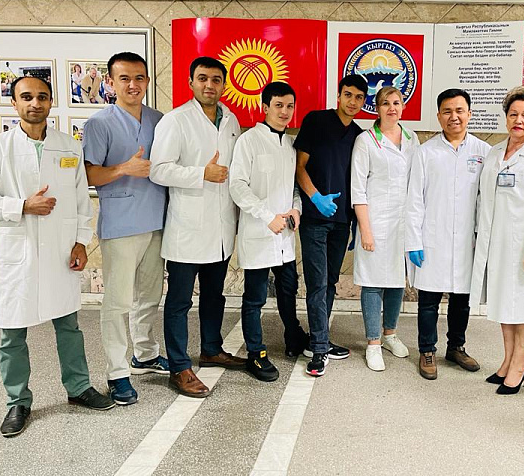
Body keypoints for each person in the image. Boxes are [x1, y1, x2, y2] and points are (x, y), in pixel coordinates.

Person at [0, 76, 114, 438]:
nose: (35, 103)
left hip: (60, 249)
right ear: (14, 103)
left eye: (41, 97)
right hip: (18, 251)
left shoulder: (68, 146)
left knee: (69, 325)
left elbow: (82, 201)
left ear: (51, 101)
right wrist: (22, 206)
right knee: (12, 332)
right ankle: (17, 401)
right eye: (27, 97)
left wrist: (81, 242)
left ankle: (79, 387)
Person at [149, 56, 244, 398]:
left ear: (224, 85)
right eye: (202, 78)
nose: (209, 85)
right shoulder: (176, 120)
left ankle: (211, 349)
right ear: (191, 82)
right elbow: (158, 170)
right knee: (179, 302)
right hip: (187, 229)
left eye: (216, 79)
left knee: (215, 296)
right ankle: (179, 366)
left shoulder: (230, 120)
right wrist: (201, 173)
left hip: (221, 228)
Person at [83, 52, 169, 406]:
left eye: (139, 78)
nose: (133, 85)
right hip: (120, 225)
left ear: (147, 81)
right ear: (110, 82)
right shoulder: (99, 124)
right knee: (118, 302)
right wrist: (123, 169)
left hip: (156, 220)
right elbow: (89, 174)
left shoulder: (159, 120)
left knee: (149, 295)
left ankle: (145, 354)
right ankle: (117, 373)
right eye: (124, 78)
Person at [470, 87, 524, 394]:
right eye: (513, 114)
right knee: (504, 304)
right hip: (498, 244)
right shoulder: (495, 152)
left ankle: (520, 365)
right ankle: (508, 360)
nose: (518, 120)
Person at [406, 88, 490, 380]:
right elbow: (414, 200)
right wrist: (413, 241)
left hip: (468, 240)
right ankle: (427, 350)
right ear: (439, 116)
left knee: (461, 299)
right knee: (428, 299)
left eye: (459, 111)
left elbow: (487, 200)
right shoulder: (425, 152)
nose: (454, 117)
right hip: (433, 237)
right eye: (447, 111)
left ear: (469, 114)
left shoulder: (483, 152)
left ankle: (456, 347)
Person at [229, 82, 307, 382]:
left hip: (285, 235)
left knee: (288, 290)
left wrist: (296, 209)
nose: (284, 112)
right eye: (278, 105)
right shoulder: (249, 141)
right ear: (265, 107)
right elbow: (237, 186)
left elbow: (294, 188)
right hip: (259, 233)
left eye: (289, 106)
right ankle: (256, 353)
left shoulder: (291, 145)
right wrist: (267, 216)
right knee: (255, 297)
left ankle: (293, 338)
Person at [295, 74, 366, 377]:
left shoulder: (360, 136)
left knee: (331, 282)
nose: (352, 101)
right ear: (338, 96)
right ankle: (319, 349)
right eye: (348, 95)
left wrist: (356, 222)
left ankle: (318, 339)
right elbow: (299, 167)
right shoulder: (316, 121)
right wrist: (315, 197)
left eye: (359, 97)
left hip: (341, 221)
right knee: (317, 282)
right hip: (315, 218)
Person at [350, 86, 419, 372]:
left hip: (403, 224)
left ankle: (390, 334)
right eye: (386, 103)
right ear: (376, 108)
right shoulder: (366, 141)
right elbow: (358, 189)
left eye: (397, 102)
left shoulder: (412, 139)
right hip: (375, 222)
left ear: (403, 106)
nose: (392, 108)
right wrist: (365, 230)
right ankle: (373, 343)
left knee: (396, 281)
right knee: (373, 282)